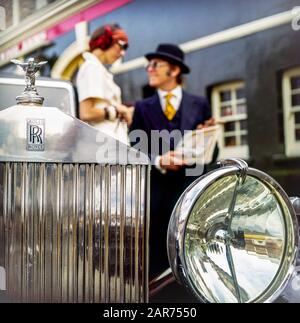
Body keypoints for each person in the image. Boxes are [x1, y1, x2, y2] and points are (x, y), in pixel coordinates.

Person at [129, 43, 215, 278]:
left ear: (174, 70)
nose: (150, 69)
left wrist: (206, 139)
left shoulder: (200, 104)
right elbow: (134, 151)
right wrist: (158, 160)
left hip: (190, 195)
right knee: (155, 265)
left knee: (192, 260)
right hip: (154, 200)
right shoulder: (142, 108)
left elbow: (210, 155)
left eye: (156, 64)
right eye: (149, 65)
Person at [76, 23, 132, 144]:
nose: (123, 53)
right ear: (105, 41)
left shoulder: (96, 68)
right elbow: (86, 113)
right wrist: (119, 110)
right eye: (122, 45)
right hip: (104, 148)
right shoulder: (92, 67)